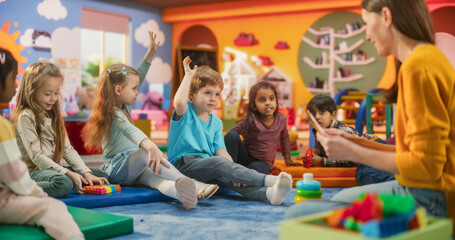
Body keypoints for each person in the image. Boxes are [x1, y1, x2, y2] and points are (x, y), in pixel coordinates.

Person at [286, 0, 455, 236]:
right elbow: (411, 153)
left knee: (298, 214)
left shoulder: (419, 66)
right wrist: (352, 141)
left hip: (430, 198)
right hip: (423, 188)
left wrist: (350, 152)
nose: (366, 34)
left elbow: (426, 168)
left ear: (386, 16)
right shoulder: (425, 59)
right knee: (342, 197)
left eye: (366, 23)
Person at [82, 32, 218, 210]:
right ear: (117, 90)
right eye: (134, 88)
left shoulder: (124, 106)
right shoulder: (113, 113)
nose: (138, 92)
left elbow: (139, 74)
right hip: (117, 169)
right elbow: (131, 131)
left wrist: (151, 53)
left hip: (131, 169)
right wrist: (150, 146)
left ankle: (180, 192)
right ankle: (195, 184)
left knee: (155, 179)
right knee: (148, 155)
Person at [167, 56, 293, 205]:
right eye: (207, 93)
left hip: (207, 167)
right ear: (191, 94)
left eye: (217, 94)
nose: (213, 98)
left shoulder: (215, 122)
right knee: (217, 163)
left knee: (232, 180)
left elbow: (222, 152)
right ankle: (269, 180)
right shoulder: (186, 112)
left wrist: (236, 175)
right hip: (182, 166)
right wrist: (188, 75)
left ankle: (268, 194)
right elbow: (179, 102)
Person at [0, 48, 84, 240]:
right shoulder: (6, 125)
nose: (16, 86)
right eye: (13, 78)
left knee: (83, 176)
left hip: (41, 172)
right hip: (22, 182)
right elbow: (16, 179)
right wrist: (39, 195)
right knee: (56, 203)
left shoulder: (54, 116)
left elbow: (68, 149)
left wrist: (83, 171)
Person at [10, 60, 109, 199]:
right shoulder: (25, 117)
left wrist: (85, 173)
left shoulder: (53, 115)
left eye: (56, 93)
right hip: (33, 172)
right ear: (31, 91)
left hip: (53, 169)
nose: (53, 98)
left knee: (101, 176)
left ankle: (77, 179)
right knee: (63, 184)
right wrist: (68, 173)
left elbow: (67, 149)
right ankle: (15, 189)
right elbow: (37, 157)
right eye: (47, 94)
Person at [306, 95, 395, 184]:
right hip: (364, 153)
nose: (317, 117)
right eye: (313, 114)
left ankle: (397, 181)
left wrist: (322, 161)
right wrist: (313, 159)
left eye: (321, 112)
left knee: (363, 173)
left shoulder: (340, 130)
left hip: (372, 145)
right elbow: (321, 152)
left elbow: (350, 159)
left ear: (333, 115)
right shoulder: (318, 130)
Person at [224, 81, 301, 174]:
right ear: (254, 105)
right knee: (231, 135)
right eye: (262, 100)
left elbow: (284, 139)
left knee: (257, 169)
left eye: (271, 99)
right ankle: (230, 169)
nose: (268, 103)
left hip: (263, 163)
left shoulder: (281, 119)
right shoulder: (250, 119)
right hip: (244, 157)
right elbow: (231, 136)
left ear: (276, 101)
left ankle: (240, 173)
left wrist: (287, 158)